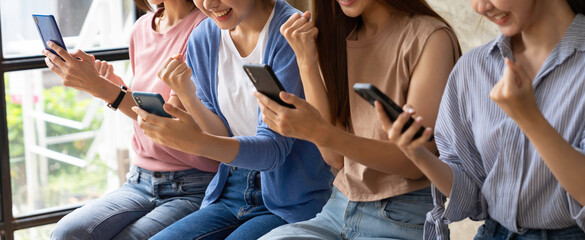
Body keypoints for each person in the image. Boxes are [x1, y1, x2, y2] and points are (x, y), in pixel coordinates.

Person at [377, 0, 585, 239]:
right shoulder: (473, 67)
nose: (479, 6)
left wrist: (530, 119)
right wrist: (416, 154)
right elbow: (472, 194)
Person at [256, 0, 460, 239]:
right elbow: (334, 158)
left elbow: (414, 164)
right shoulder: (339, 35)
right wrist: (306, 61)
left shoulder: (431, 38)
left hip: (401, 217)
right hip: (337, 209)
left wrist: (320, 132)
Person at [132, 0, 333, 239]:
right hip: (231, 189)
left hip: (290, 199)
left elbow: (274, 151)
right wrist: (187, 94)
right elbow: (223, 135)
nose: (208, 4)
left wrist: (195, 142)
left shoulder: (291, 34)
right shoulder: (204, 37)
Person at [42, 0, 219, 239]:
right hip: (140, 179)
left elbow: (173, 125)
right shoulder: (142, 27)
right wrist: (114, 86)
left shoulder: (205, 27)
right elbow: (148, 104)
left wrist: (103, 89)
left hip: (192, 184)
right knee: (67, 233)